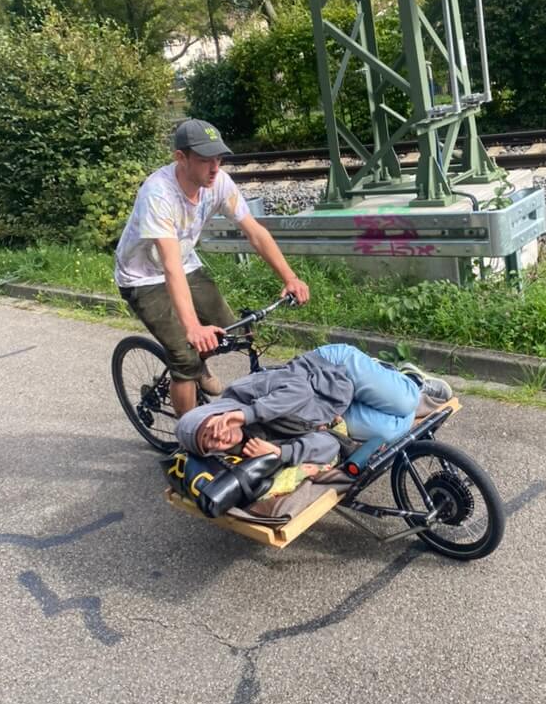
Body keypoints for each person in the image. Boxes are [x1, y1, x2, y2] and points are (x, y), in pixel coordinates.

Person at [115, 118, 310, 416]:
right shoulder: (158, 194)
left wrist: (290, 277)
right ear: (180, 157)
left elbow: (255, 232)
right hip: (142, 278)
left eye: (219, 158)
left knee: (230, 332)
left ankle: (197, 367)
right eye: (206, 160)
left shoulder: (218, 182)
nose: (215, 167)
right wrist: (192, 328)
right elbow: (169, 267)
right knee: (184, 355)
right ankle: (188, 442)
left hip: (184, 265)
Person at [176, 343, 453, 467]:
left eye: (210, 430)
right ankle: (388, 387)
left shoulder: (243, 394)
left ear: (215, 413)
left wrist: (246, 414)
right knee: (394, 430)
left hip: (332, 370)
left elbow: (300, 390)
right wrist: (279, 452)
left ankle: (410, 381)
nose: (217, 438)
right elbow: (329, 446)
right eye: (209, 445)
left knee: (405, 401)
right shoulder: (252, 446)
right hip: (333, 410)